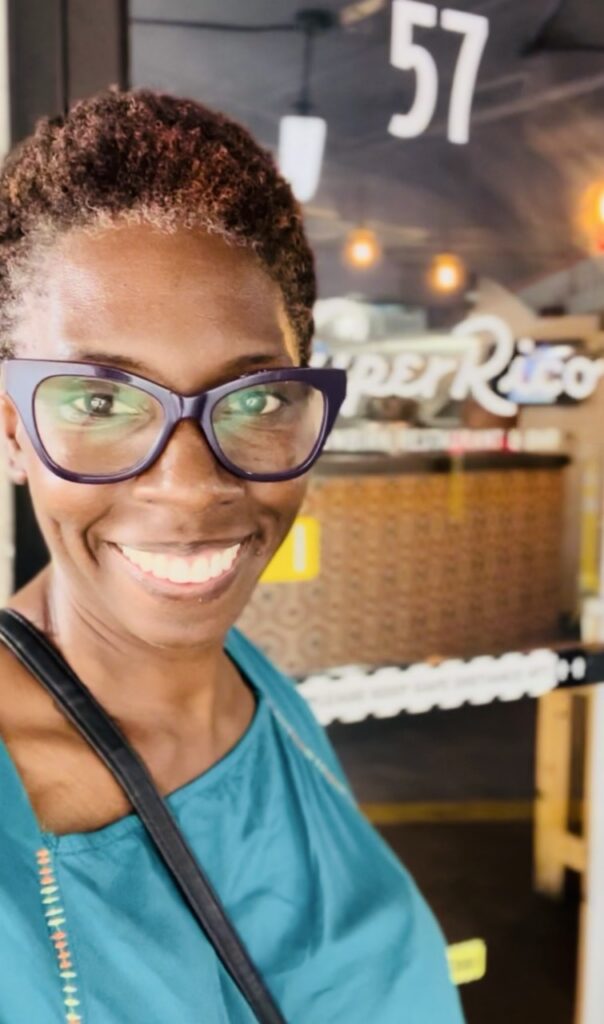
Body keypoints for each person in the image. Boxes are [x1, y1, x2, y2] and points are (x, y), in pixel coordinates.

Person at [0, 88, 465, 1023]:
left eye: (251, 400)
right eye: (97, 401)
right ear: (11, 428)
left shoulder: (258, 696)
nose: (188, 486)